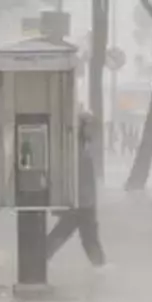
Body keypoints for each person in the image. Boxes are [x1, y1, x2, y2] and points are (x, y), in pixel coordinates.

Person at [47, 114, 107, 268]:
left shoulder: (81, 147)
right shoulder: (76, 149)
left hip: (82, 200)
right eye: (91, 128)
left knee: (68, 233)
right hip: (80, 201)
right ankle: (100, 266)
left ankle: (39, 259)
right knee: (84, 236)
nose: (94, 133)